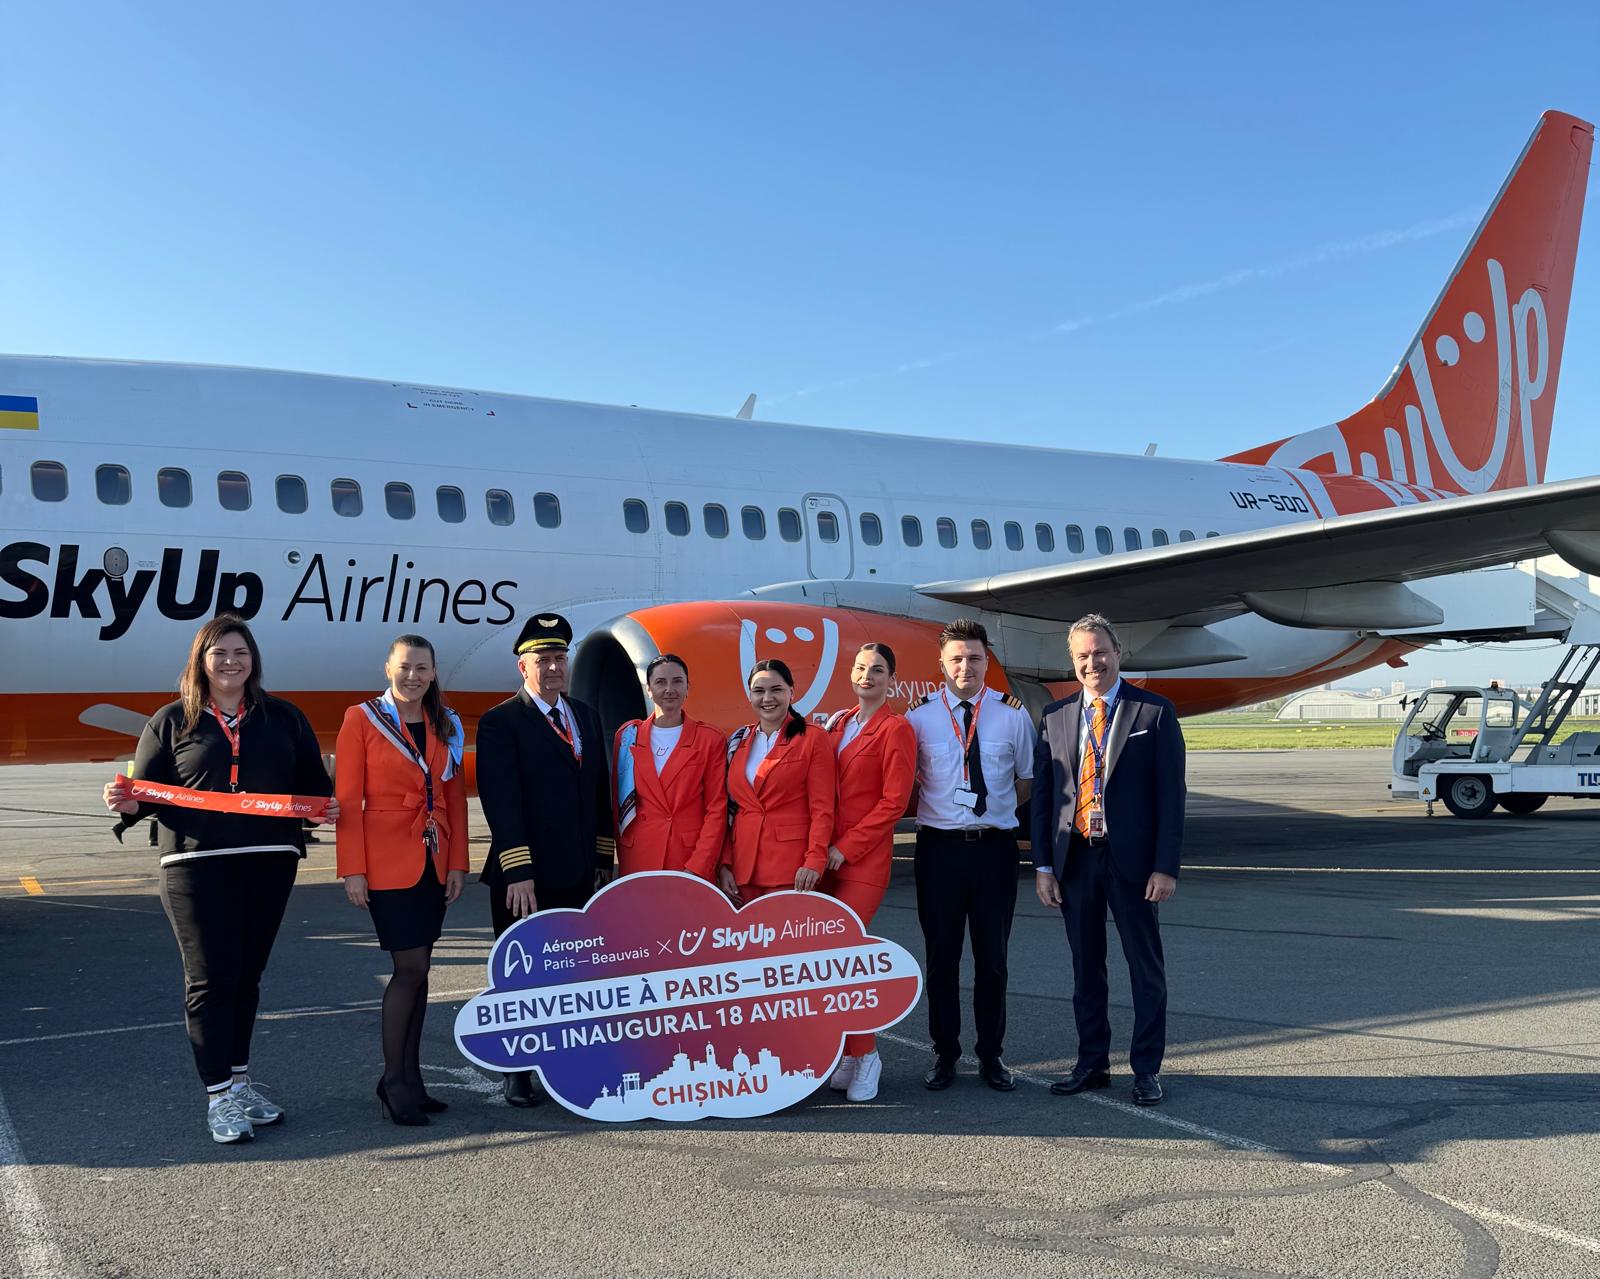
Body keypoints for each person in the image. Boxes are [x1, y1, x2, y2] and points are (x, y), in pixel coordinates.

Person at [101, 614, 336, 1145]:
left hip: (269, 859)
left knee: (247, 980)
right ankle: (218, 1097)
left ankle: (239, 1081)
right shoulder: (171, 721)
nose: (231, 663)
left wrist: (327, 806)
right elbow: (145, 792)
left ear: (254, 661)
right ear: (200, 662)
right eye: (219, 654)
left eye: (241, 653)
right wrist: (125, 801)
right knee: (210, 981)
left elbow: (313, 785)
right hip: (195, 864)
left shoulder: (283, 718)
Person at [1031, 613, 1184, 1107]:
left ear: (1118, 653)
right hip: (1076, 859)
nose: (1092, 662)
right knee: (1085, 970)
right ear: (1072, 662)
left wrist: (1166, 866)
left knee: (1145, 969)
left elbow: (1170, 797)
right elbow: (1045, 800)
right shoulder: (1056, 717)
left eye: (1100, 652)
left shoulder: (1153, 713)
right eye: (1082, 656)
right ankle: (1092, 1063)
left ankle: (1146, 1069)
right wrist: (1043, 866)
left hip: (1134, 864)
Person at [475, 612, 614, 1107]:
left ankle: (566, 1061)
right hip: (526, 878)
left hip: (579, 872)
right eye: (542, 659)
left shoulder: (585, 715)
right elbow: (501, 801)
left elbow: (599, 791)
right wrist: (518, 871)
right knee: (522, 977)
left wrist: (603, 857)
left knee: (573, 976)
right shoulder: (500, 722)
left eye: (559, 657)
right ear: (522, 667)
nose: (553, 667)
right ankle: (517, 1070)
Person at [335, 635, 469, 1126]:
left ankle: (411, 1080)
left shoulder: (444, 723)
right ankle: (393, 1082)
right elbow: (347, 798)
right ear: (387, 668)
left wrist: (458, 863)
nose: (413, 676)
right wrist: (352, 868)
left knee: (422, 970)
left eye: (422, 668)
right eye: (404, 667)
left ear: (434, 672)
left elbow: (454, 798)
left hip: (433, 860)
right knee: (409, 968)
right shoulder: (362, 718)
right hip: (387, 859)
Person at [905, 618, 1036, 1092]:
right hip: (938, 851)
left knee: (992, 959)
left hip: (994, 851)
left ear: (987, 662)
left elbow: (1025, 780)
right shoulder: (918, 718)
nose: (966, 666)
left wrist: (988, 813)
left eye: (975, 658)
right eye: (957, 658)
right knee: (941, 959)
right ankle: (944, 1053)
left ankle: (991, 1055)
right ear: (942, 664)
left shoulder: (1012, 715)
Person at [821, 642, 916, 1102]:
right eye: (860, 668)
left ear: (890, 680)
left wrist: (847, 846)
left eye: (877, 670)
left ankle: (868, 1053)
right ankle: (849, 1053)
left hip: (862, 861)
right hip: (825, 858)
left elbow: (893, 803)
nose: (867, 676)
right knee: (825, 960)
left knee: (845, 956)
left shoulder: (895, 729)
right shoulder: (839, 723)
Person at [719, 659, 836, 905]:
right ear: (750, 695)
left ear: (791, 692)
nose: (767, 698)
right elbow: (732, 810)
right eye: (759, 691)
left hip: (790, 867)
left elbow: (822, 809)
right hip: (743, 868)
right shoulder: (739, 741)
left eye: (776, 690)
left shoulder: (813, 738)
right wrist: (725, 863)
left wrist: (815, 860)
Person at [612, 654, 727, 880]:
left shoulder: (709, 739)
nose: (669, 689)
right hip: (639, 857)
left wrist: (699, 866)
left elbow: (716, 810)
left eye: (677, 681)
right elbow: (618, 805)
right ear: (649, 689)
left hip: (687, 858)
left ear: (687, 687)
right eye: (660, 682)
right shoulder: (627, 736)